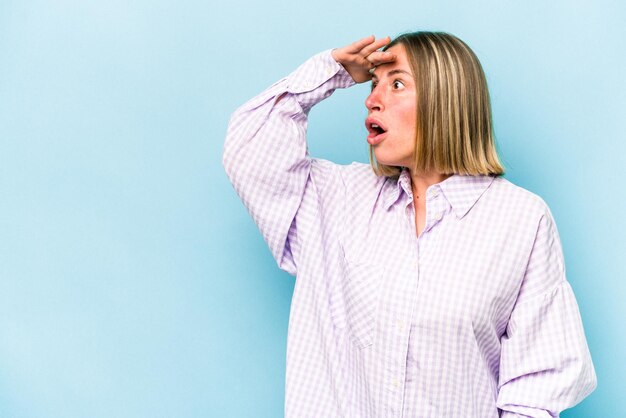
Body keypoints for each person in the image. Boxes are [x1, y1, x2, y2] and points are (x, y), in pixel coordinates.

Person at [222, 32, 597, 417]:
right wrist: (333, 71)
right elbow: (249, 148)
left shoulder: (520, 219)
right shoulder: (334, 199)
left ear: (446, 101)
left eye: (396, 83)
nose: (372, 99)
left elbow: (538, 383)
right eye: (373, 83)